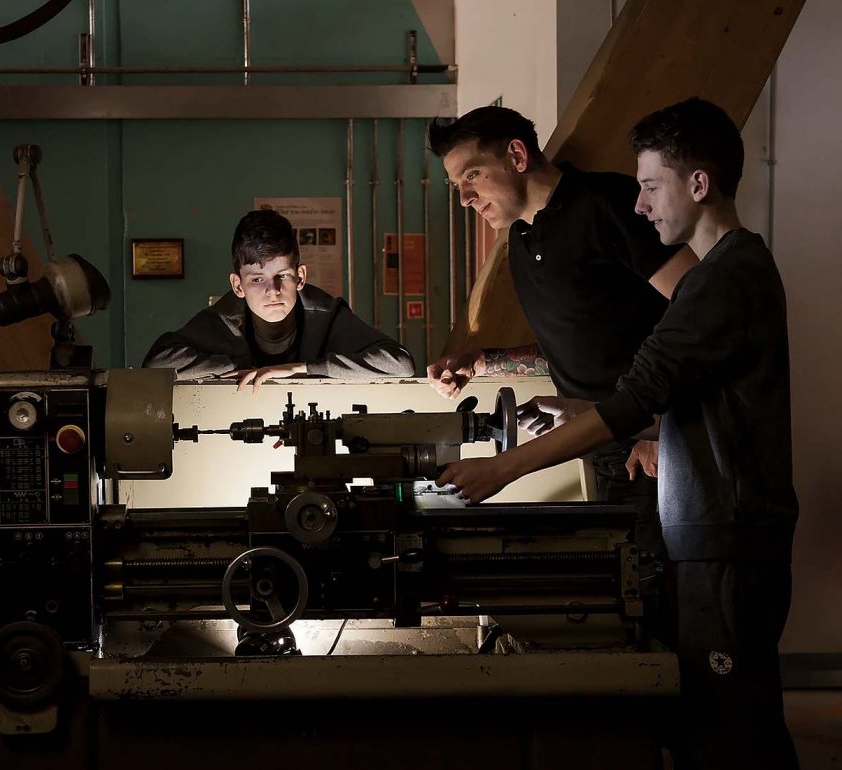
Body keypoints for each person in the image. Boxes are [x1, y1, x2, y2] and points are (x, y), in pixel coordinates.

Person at [436, 97, 799, 770]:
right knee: (708, 711)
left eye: (651, 187)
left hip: (723, 522)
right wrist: (573, 403)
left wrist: (503, 469)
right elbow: (649, 379)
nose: (639, 206)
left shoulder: (723, 279)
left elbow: (647, 386)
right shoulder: (724, 274)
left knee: (734, 726)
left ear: (697, 185)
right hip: (704, 516)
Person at [426, 105, 699, 572]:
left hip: (656, 450)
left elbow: (699, 311)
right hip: (599, 445)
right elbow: (579, 344)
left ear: (516, 155)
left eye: (472, 176)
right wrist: (485, 361)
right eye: (457, 187)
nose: (465, 198)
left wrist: (662, 427)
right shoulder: (521, 240)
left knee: (666, 606)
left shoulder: (606, 203)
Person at [142, 209, 414, 390]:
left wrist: (303, 369)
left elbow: (400, 364)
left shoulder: (324, 313)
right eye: (257, 279)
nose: (272, 290)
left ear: (300, 278)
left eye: (282, 276)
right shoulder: (225, 317)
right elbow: (156, 363)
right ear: (238, 286)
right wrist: (237, 367)